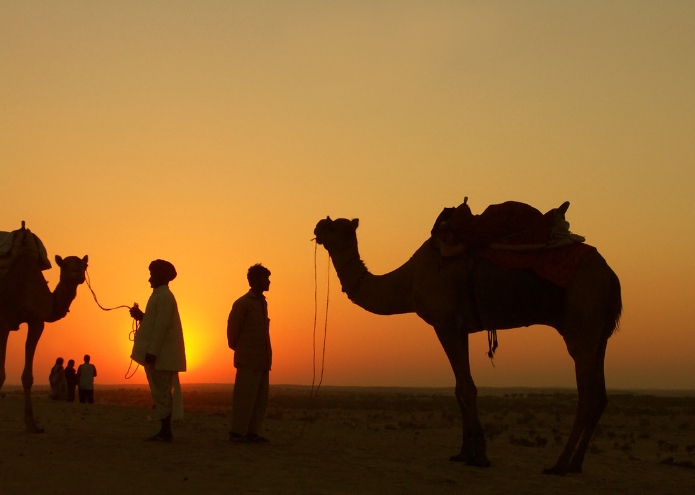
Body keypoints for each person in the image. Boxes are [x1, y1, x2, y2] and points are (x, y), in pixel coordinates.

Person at [130, 259, 186, 443]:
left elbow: (162, 326)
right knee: (160, 392)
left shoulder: (164, 296)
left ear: (161, 276)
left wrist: (152, 352)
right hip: (159, 354)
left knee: (162, 393)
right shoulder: (159, 295)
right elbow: (156, 322)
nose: (149, 279)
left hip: (160, 355)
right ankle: (164, 430)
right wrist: (141, 317)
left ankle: (165, 432)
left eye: (152, 274)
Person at [227, 264, 272, 443]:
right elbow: (232, 335)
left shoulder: (262, 303)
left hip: (262, 360)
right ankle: (238, 433)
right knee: (244, 398)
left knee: (259, 400)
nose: (268, 282)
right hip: (248, 360)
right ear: (254, 280)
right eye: (265, 278)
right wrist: (245, 350)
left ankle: (252, 433)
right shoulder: (242, 304)